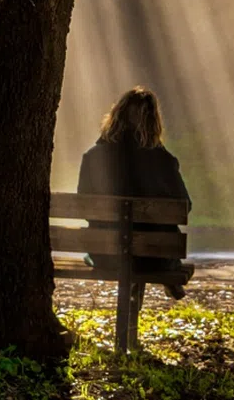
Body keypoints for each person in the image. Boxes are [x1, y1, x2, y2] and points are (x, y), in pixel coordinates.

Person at [77, 86, 193, 300]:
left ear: (116, 116)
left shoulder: (93, 157)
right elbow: (185, 206)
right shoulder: (163, 160)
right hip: (155, 257)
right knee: (147, 247)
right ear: (153, 122)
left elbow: (84, 207)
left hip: (106, 254)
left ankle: (136, 287)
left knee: (121, 248)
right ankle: (166, 278)